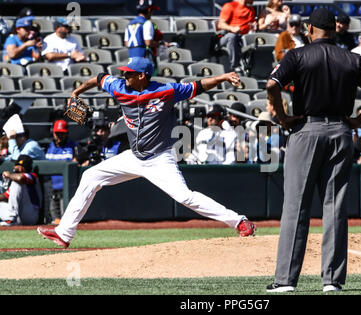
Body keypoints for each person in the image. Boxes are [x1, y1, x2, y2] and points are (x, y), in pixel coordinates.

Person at [37, 57, 255, 248]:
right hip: (133, 156)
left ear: (142, 76)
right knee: (90, 176)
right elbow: (98, 77)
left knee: (184, 196)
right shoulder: (119, 87)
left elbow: (197, 86)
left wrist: (222, 77)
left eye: (129, 73)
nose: (124, 76)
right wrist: (76, 92)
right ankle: (64, 233)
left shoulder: (165, 91)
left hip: (160, 158)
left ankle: (239, 221)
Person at [265, 8, 361, 293]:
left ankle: (285, 281)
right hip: (340, 132)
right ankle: (331, 281)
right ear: (334, 30)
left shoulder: (297, 56)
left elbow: (272, 85)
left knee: (296, 206)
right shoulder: (352, 58)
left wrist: (283, 117)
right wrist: (360, 119)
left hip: (306, 130)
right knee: (335, 207)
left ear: (309, 29)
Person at [44, 120, 77, 224]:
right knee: (54, 219)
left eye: (62, 133)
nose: (59, 136)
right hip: (51, 189)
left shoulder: (73, 146)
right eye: (57, 133)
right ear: (53, 133)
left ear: (67, 133)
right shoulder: (47, 147)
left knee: (65, 218)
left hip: (66, 189)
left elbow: (84, 159)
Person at [0, 155, 42, 226]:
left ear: (21, 167)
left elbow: (20, 178)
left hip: (30, 215)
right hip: (19, 215)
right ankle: (11, 219)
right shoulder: (16, 181)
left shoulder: (32, 175)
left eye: (16, 165)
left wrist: (9, 175)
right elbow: (5, 196)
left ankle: (11, 219)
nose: (14, 166)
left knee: (16, 182)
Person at [217, 0, 257, 73]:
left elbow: (252, 24)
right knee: (232, 36)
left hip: (243, 37)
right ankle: (235, 66)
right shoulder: (230, 6)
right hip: (227, 36)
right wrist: (232, 28)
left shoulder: (251, 9)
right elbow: (220, 24)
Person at [124, 0, 163, 70]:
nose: (152, 13)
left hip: (131, 57)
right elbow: (148, 42)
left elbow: (126, 43)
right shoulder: (147, 23)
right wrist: (159, 43)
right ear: (149, 10)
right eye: (152, 10)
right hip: (143, 57)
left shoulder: (130, 23)